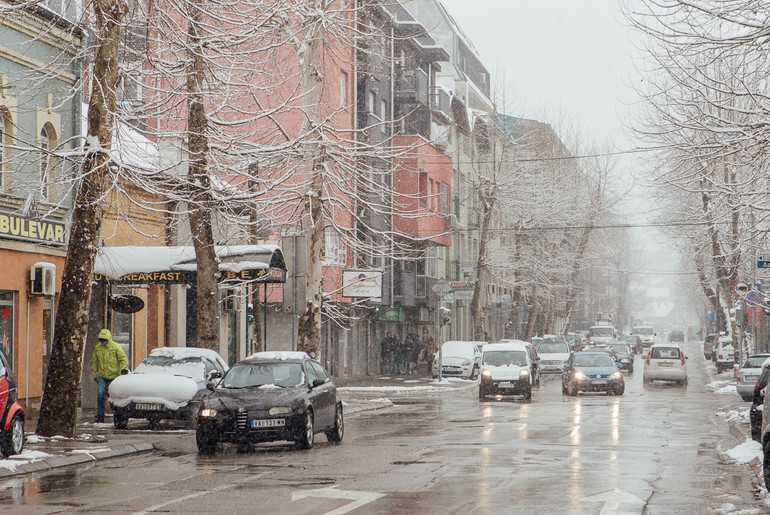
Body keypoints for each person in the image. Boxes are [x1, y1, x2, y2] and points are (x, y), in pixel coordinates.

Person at [92, 329, 129, 423]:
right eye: (101, 340)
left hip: (114, 376)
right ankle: (100, 416)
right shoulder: (98, 348)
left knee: (115, 397)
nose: (102, 341)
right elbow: (95, 362)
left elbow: (123, 359)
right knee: (100, 395)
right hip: (102, 376)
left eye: (104, 339)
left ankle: (117, 415)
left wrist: (124, 368)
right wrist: (95, 374)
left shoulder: (115, 347)